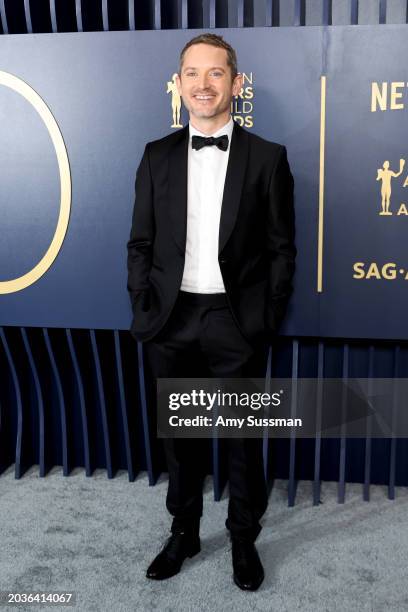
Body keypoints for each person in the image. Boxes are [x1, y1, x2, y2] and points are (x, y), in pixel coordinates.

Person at [127, 33, 296, 591]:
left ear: (235, 83)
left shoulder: (268, 158)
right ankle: (184, 531)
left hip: (235, 320)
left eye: (215, 73)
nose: (203, 84)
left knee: (244, 440)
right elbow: (141, 243)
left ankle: (244, 539)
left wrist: (263, 318)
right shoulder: (155, 155)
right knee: (181, 438)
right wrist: (144, 308)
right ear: (178, 85)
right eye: (192, 74)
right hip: (170, 322)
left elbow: (281, 248)